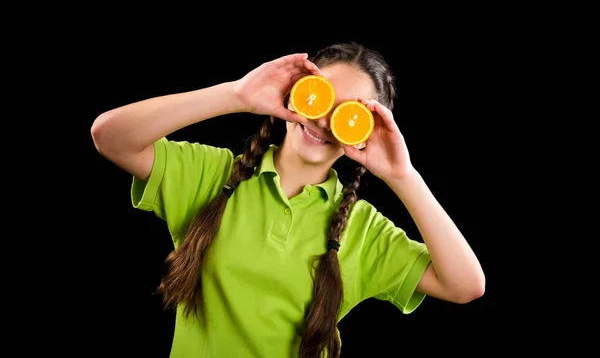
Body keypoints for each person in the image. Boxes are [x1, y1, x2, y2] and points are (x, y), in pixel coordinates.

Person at [91, 42, 485, 358]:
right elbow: (109, 136)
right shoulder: (210, 176)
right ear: (296, 94)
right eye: (320, 99)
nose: (325, 121)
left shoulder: (364, 230)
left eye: (347, 114)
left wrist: (403, 176)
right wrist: (237, 94)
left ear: (364, 131)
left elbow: (466, 285)